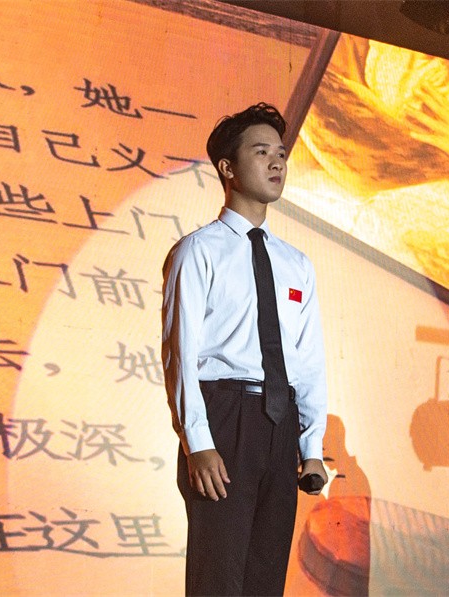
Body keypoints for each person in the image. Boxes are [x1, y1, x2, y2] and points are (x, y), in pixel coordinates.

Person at [161, 103, 328, 596]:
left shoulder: (296, 263)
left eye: (281, 153)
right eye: (261, 152)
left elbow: (308, 360)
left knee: (264, 581)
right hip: (225, 417)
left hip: (281, 420)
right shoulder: (198, 250)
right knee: (218, 579)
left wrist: (311, 448)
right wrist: (198, 441)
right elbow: (179, 353)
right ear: (227, 168)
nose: (277, 162)